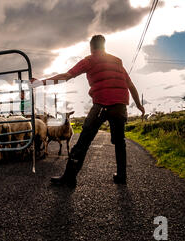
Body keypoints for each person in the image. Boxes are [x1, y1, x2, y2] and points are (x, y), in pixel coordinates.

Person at [30, 35, 145, 187]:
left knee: (84, 141)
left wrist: (41, 82)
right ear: (104, 46)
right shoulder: (117, 62)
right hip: (120, 106)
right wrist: (138, 105)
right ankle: (121, 176)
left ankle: (69, 178)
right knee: (119, 142)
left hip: (102, 104)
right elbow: (130, 85)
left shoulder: (90, 60)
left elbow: (67, 76)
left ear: (92, 48)